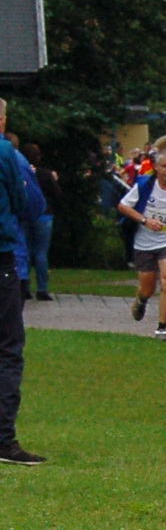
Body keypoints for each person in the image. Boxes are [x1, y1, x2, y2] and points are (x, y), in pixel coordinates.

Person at [0, 96, 41, 465]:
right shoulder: (6, 154)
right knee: (8, 347)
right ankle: (4, 440)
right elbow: (29, 203)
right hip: (1, 258)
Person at [118, 148, 166, 339]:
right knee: (148, 286)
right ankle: (141, 300)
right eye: (164, 166)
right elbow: (123, 206)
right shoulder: (145, 185)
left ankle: (162, 326)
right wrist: (145, 221)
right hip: (144, 243)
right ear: (156, 167)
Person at [19, 144, 55, 301]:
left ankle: (24, 286)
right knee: (41, 253)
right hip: (44, 216)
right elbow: (57, 193)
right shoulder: (45, 174)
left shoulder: (22, 171)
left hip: (26, 215)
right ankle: (42, 288)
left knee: (24, 251)